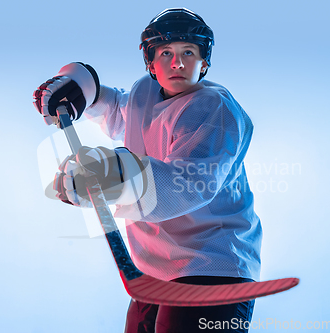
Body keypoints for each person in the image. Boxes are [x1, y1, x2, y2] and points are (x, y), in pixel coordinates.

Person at [33, 8, 262, 333]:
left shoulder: (214, 108)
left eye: (188, 53)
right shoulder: (146, 93)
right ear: (150, 62)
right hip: (155, 270)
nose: (177, 63)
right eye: (166, 52)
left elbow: (190, 183)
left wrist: (116, 176)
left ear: (204, 62)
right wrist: (84, 90)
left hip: (212, 266)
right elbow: (121, 111)